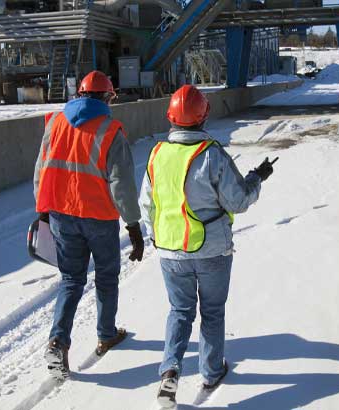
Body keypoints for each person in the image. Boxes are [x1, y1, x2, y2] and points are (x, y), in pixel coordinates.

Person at [138, 85, 276, 408]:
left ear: (171, 118)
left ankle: (170, 371)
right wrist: (258, 177)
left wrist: (157, 238)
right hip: (212, 251)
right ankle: (212, 371)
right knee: (211, 312)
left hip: (171, 252)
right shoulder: (212, 154)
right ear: (203, 117)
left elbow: (147, 204)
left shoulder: (157, 155)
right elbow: (239, 200)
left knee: (180, 311)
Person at [34, 70, 145, 380]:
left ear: (80, 94)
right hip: (98, 217)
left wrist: (43, 209)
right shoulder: (111, 130)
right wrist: (133, 226)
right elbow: (121, 184)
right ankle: (106, 333)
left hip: (60, 215)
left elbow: (41, 170)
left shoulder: (56, 122)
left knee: (71, 279)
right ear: (107, 97)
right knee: (107, 277)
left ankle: (58, 340)